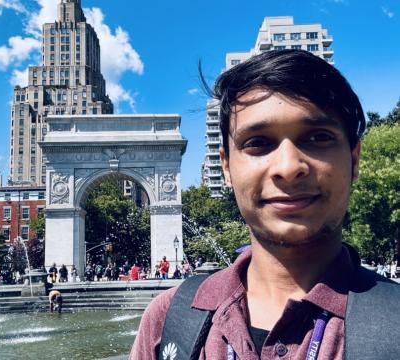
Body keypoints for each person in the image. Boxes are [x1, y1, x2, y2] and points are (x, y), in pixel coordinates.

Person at [130, 50, 399, 359]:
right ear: (227, 167)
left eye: (318, 138)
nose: (287, 167)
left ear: (354, 160)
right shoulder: (166, 320)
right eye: (258, 142)